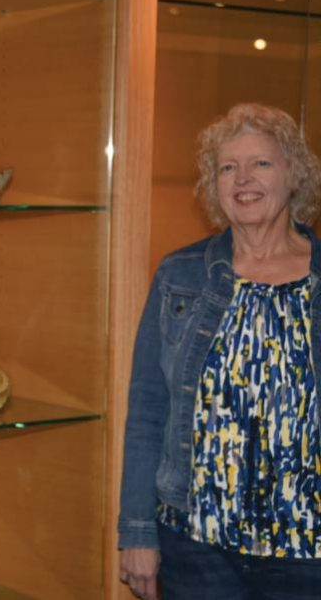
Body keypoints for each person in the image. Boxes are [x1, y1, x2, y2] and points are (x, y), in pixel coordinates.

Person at [118, 103, 321, 599]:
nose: (243, 179)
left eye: (261, 164)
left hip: (308, 552)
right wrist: (137, 531)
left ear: (293, 174)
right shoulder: (180, 275)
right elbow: (147, 412)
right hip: (197, 549)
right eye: (228, 168)